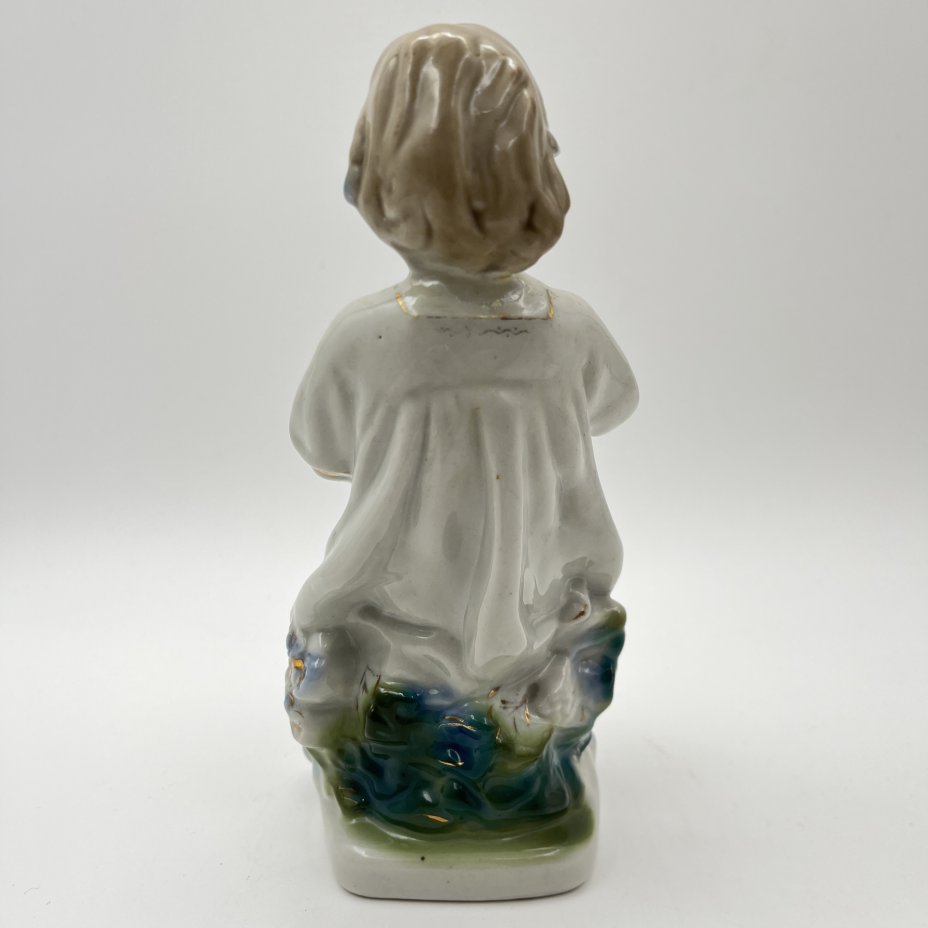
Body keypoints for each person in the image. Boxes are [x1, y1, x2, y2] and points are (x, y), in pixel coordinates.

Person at [285, 23, 638, 779]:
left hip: (398, 618)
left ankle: (359, 741)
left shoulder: (367, 338)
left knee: (327, 628)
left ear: (375, 178)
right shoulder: (570, 327)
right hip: (544, 609)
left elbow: (322, 446)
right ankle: (539, 744)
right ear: (542, 174)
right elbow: (613, 404)